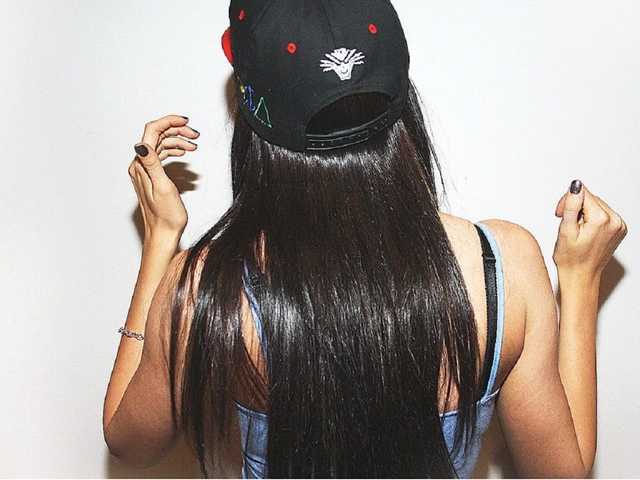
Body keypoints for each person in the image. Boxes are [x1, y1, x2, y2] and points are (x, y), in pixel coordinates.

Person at [102, 0, 628, 478]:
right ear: (402, 95)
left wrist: (161, 242)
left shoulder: (205, 288)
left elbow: (129, 443)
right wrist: (580, 280)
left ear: (251, 120)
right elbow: (561, 473)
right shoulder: (502, 268)